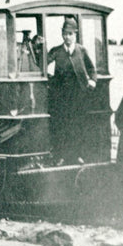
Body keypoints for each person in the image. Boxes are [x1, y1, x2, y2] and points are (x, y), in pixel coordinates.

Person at [46, 16, 97, 165]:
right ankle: (61, 156)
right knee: (62, 125)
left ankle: (77, 155)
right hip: (61, 96)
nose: (67, 37)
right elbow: (42, 64)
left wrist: (92, 80)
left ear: (75, 34)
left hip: (79, 95)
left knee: (78, 125)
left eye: (70, 34)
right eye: (65, 34)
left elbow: (92, 69)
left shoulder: (81, 50)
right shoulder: (56, 51)